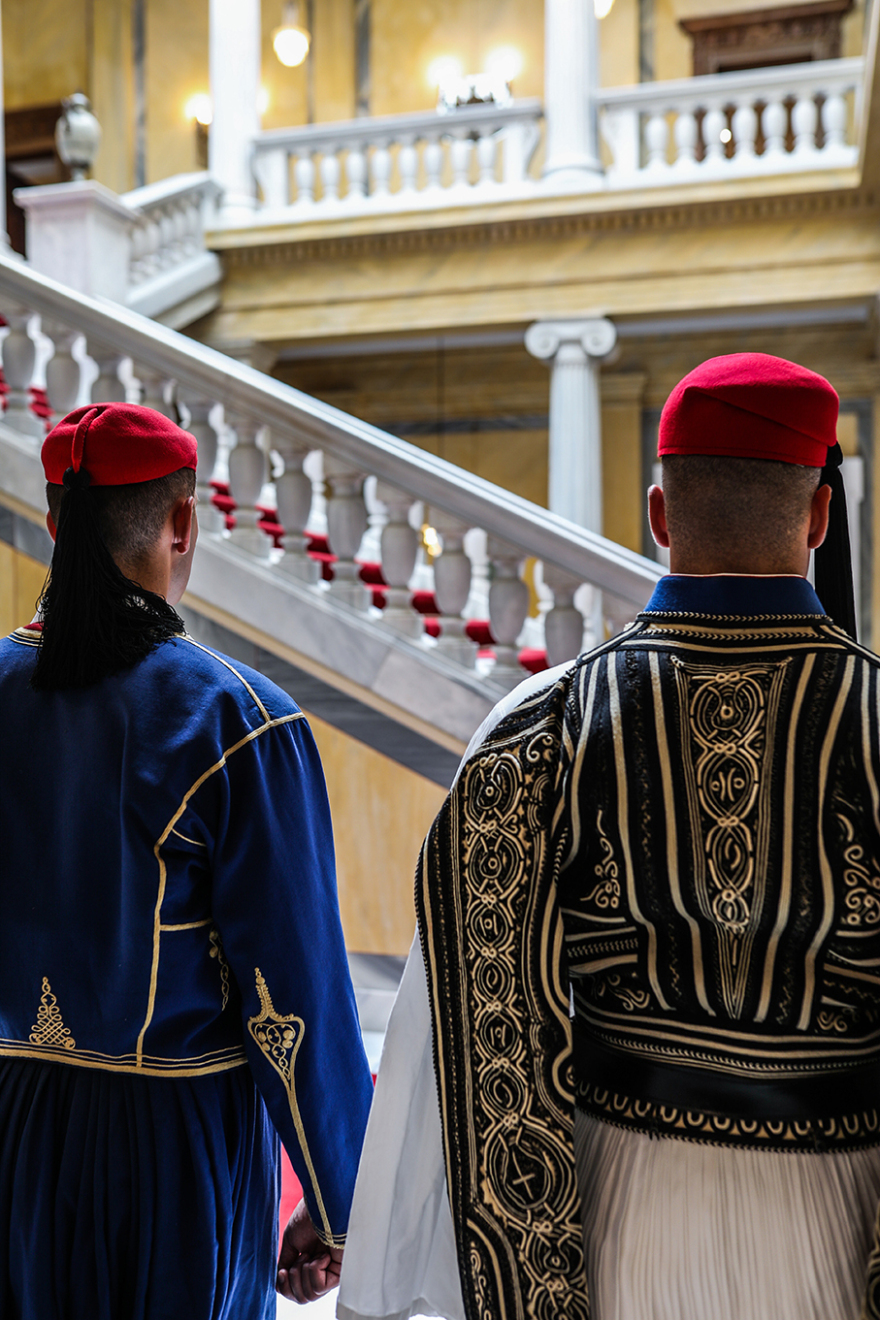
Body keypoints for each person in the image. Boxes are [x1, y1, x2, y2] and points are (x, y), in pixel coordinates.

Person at [337, 352, 880, 1320]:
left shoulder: (537, 731)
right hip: (841, 1230)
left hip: (610, 1227)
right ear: (819, 515)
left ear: (658, 515)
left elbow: (460, 1041)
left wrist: (380, 1287)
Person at [0, 402, 374, 1319]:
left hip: (10, 1130)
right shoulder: (237, 720)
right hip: (175, 1149)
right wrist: (338, 1205)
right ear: (182, 523)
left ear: (54, 524)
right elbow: (294, 991)